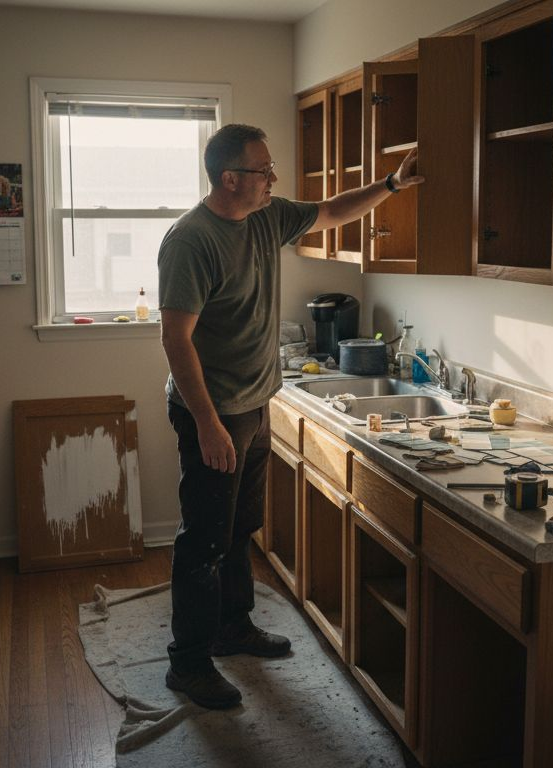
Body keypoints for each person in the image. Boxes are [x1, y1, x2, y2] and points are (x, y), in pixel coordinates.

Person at [157, 123, 423, 709]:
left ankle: (233, 627)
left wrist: (390, 185)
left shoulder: (267, 217)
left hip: (255, 402)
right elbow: (175, 338)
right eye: (263, 170)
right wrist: (206, 423)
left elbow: (330, 211)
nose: (274, 179)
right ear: (231, 179)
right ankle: (188, 663)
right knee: (203, 540)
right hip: (213, 412)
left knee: (240, 527)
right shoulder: (190, 241)